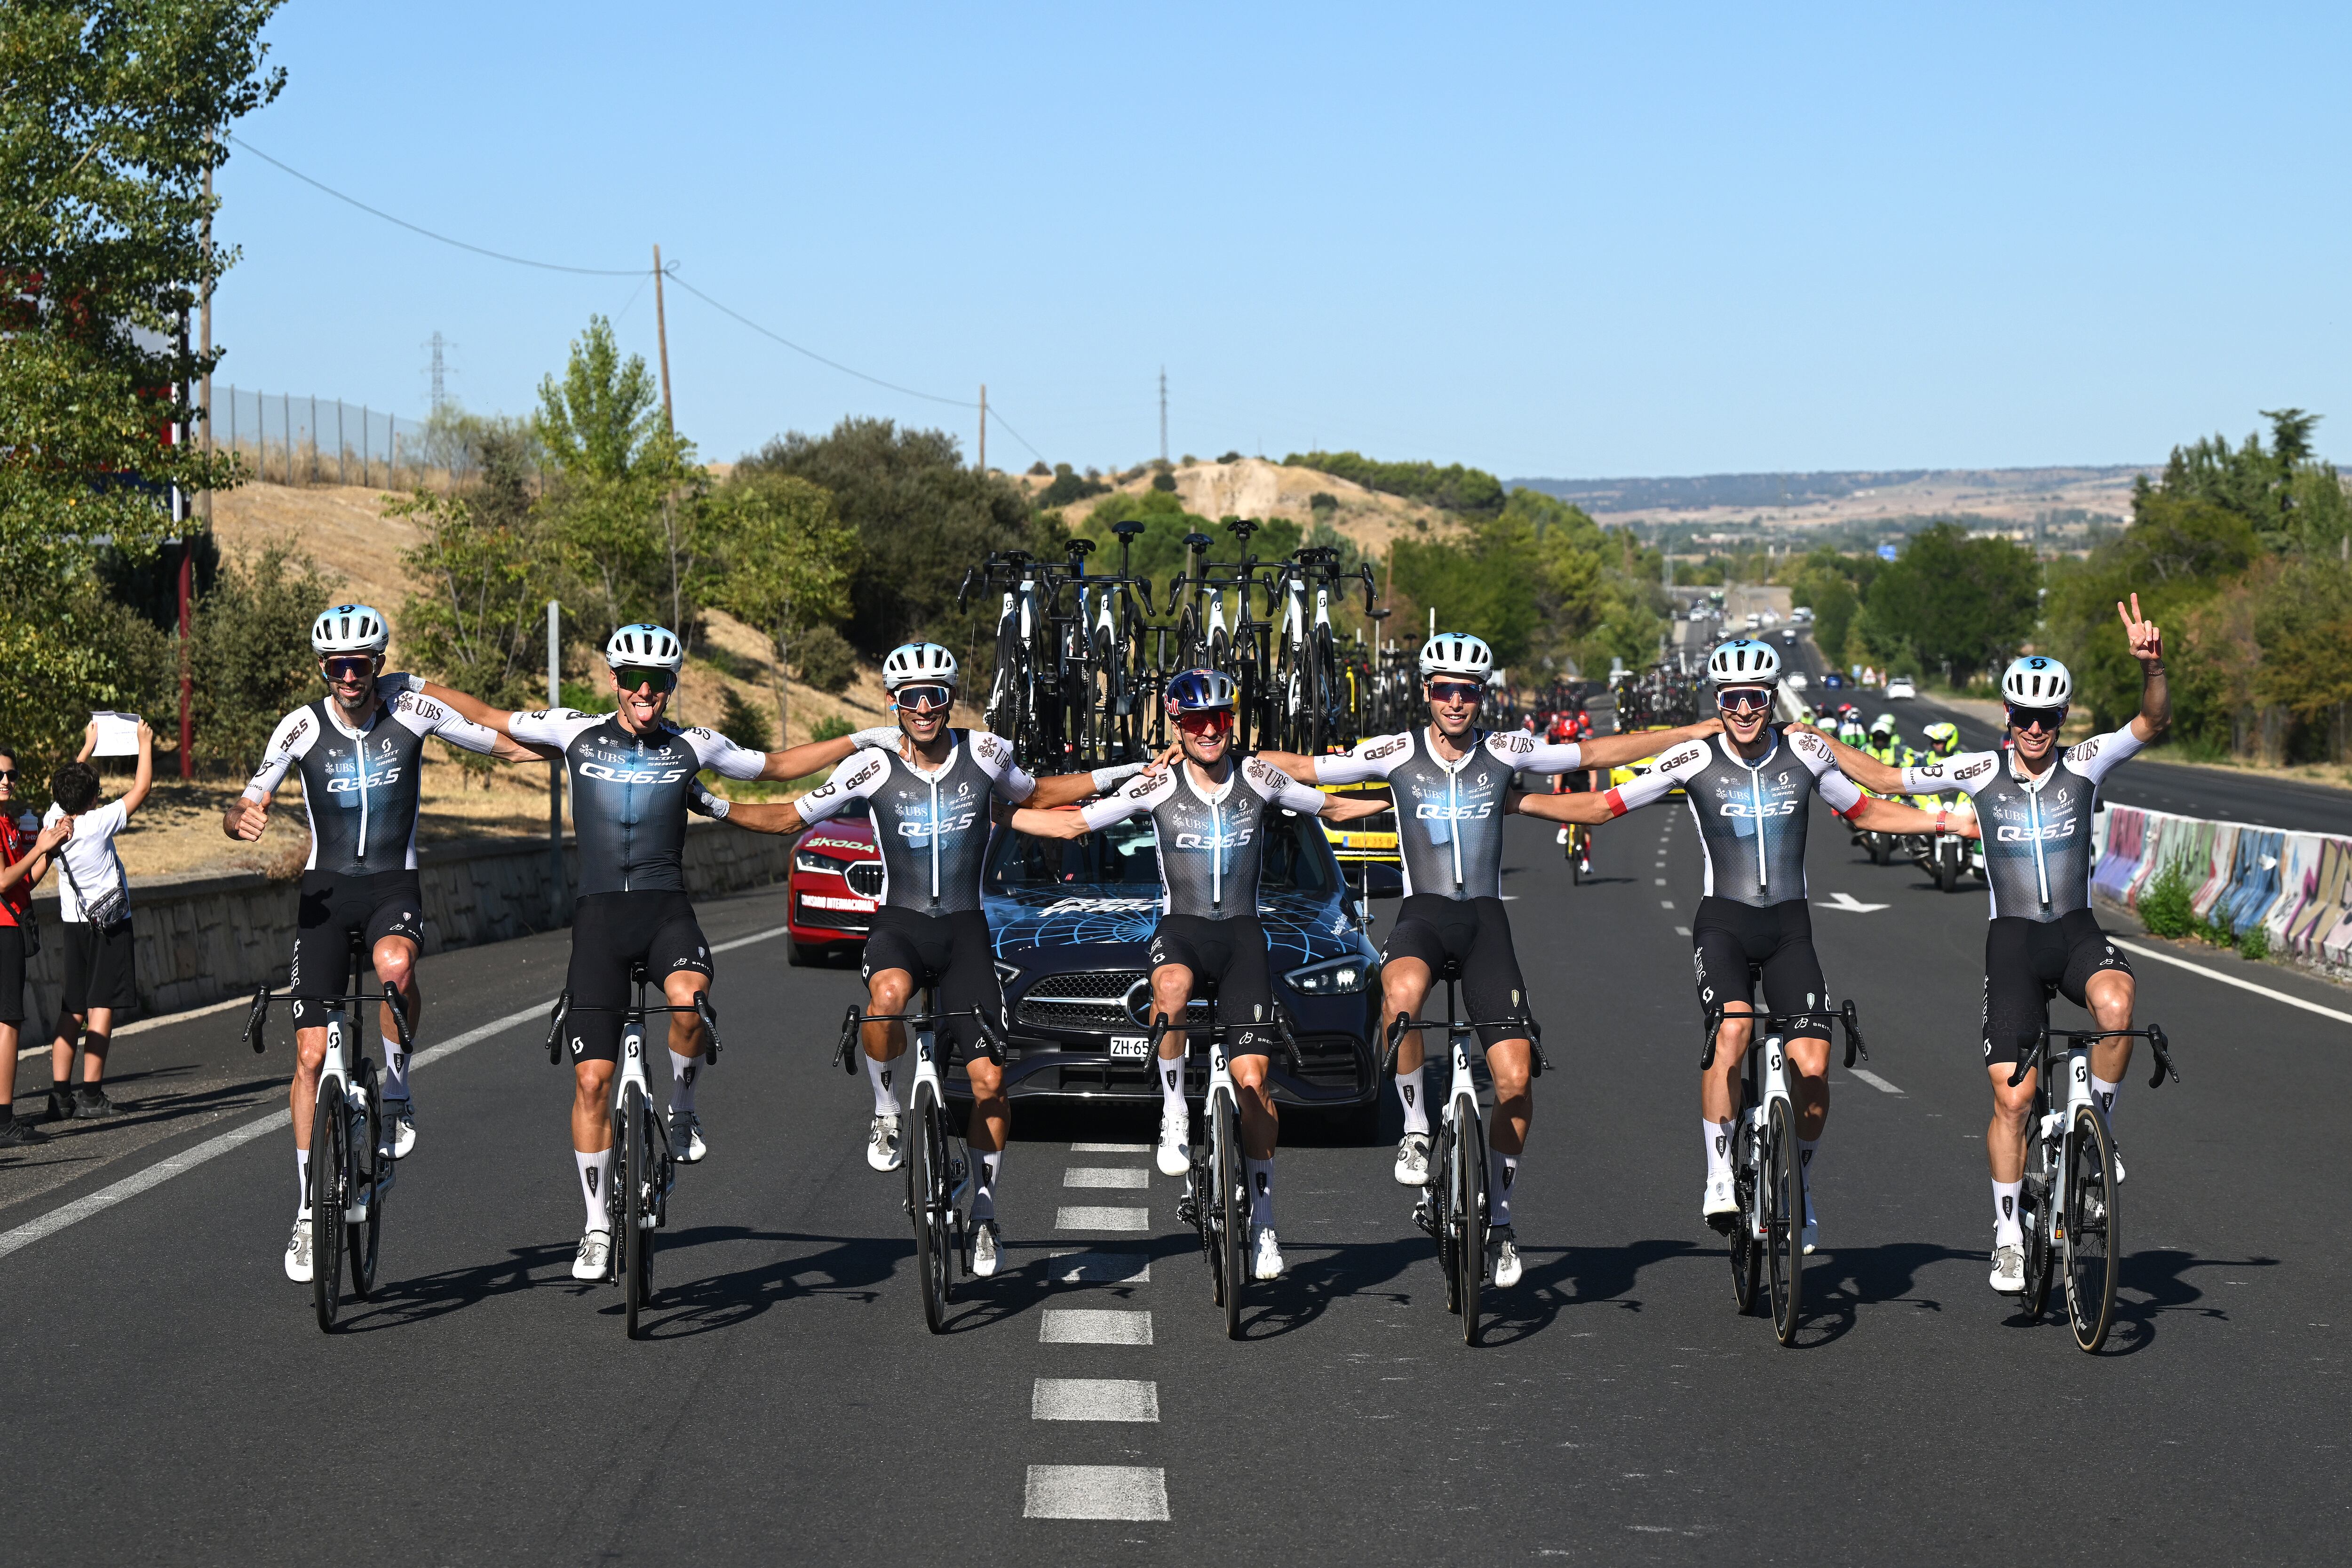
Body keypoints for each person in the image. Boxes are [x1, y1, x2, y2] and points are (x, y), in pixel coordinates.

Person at [414, 622, 872, 1284]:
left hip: (666, 914)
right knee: (592, 1081)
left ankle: (681, 1111)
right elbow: (487, 716)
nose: (645, 691)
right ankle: (597, 1222)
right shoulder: (574, 730)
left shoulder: (695, 743)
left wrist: (862, 739)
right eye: (633, 679)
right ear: (614, 681)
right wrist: (413, 687)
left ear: (674, 686)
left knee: (691, 1003)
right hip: (599, 921)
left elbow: (775, 767)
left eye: (660, 682)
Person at [1260, 633, 1722, 1287]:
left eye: (1468, 690)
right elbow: (1305, 768)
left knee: (1513, 1079)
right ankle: (1417, 1127)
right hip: (1423, 915)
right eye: (1445, 688)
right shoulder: (1394, 751)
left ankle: (1500, 1216)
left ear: (1483, 696)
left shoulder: (1507, 749)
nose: (1456, 702)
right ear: (1427, 691)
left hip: (1483, 922)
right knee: (1400, 996)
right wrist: (1213, 745)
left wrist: (1692, 732)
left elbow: (1595, 752)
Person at [685, 641, 1142, 1277]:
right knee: (886, 1001)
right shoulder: (871, 768)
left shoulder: (984, 752)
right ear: (893, 704)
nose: (923, 707)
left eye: (934, 694)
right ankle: (885, 1112)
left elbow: (1038, 795)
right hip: (900, 925)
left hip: (964, 931)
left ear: (950, 697)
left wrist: (1125, 773)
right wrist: (713, 805)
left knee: (988, 1081)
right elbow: (792, 815)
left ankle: (983, 1213)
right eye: (909, 697)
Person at [1515, 638, 1971, 1254]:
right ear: (1719, 701)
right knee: (1731, 1030)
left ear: (1771, 697)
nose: (1745, 710)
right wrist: (1515, 802)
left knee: (1813, 1064)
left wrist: (1949, 821)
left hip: (1789, 929)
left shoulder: (1805, 751)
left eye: (1756, 698)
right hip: (1723, 924)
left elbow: (1866, 810)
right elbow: (1600, 806)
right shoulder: (1691, 758)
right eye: (1733, 699)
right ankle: (1720, 1173)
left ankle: (1800, 1185)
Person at [1810, 598, 2167, 1296]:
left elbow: (2154, 721)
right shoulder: (1977, 771)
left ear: (2064, 721)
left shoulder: (2088, 763)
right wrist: (1811, 742)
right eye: (2023, 716)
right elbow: (1883, 780)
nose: (2035, 729)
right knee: (2014, 1098)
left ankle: (2099, 1130)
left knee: (2119, 1005)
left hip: (2074, 931)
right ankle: (2007, 1234)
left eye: (2048, 717)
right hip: (2012, 944)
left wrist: (2153, 666)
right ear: (2007, 715)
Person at [1010, 669, 1388, 1283]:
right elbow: (1076, 824)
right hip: (1182, 931)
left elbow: (1336, 806)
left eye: (1219, 718)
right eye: (1194, 720)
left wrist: (1399, 794)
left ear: (1231, 721)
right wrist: (994, 814)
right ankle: (1173, 1113)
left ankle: (1264, 1223)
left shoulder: (1260, 777)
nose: (1209, 730)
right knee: (1172, 990)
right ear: (1177, 726)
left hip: (1242, 937)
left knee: (1256, 1084)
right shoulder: (1157, 784)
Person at [226, 605, 543, 1282]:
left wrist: (577, 747)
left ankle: (396, 1090)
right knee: (311, 1054)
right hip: (325, 892)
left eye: (360, 664)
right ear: (323, 668)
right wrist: (240, 817)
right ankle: (311, 1208)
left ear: (378, 663)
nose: (348, 676)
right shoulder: (301, 725)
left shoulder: (413, 711)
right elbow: (246, 797)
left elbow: (498, 741)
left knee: (396, 965)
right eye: (336, 666)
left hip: (392, 887)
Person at [44, 717, 155, 1123]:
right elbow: (140, 789)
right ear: (93, 797)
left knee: (72, 1007)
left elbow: (66, 790)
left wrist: (87, 747)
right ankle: (91, 1094)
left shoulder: (53, 823)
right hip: (108, 925)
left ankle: (60, 1096)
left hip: (73, 924)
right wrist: (144, 743)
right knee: (101, 1004)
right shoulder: (96, 823)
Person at [0, 755, 72, 1146]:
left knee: (7, 1020)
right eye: (0, 774)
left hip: (11, 925)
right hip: (2, 929)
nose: (6, 780)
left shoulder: (9, 821)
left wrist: (52, 848)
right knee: (8, 1021)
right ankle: (4, 1120)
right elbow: (2, 880)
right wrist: (39, 846)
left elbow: (24, 881)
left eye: (12, 774)